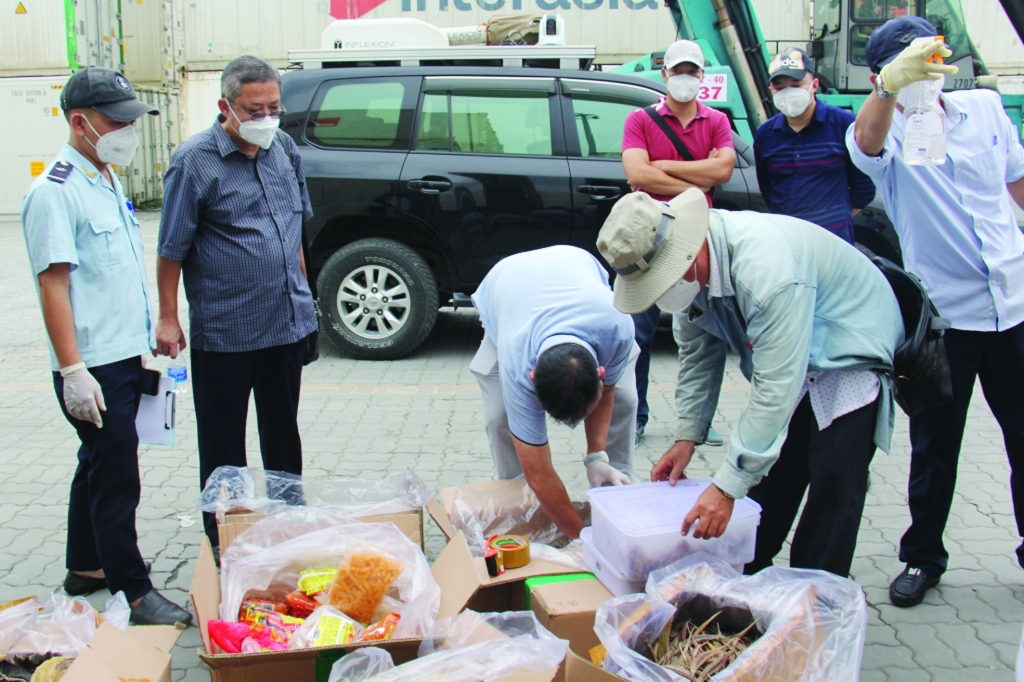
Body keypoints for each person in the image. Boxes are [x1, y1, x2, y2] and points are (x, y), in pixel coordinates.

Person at [597, 189, 904, 578]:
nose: (661, 292)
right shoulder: (693, 278)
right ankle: (752, 580)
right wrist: (687, 436)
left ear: (686, 254)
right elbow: (696, 358)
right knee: (770, 481)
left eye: (660, 280)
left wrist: (726, 488)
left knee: (833, 481)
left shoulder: (766, 272)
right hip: (794, 353)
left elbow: (776, 387)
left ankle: (817, 598)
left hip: (850, 345)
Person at [848, 16, 1024, 606]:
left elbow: (1016, 180)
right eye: (911, 64)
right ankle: (924, 558)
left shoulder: (986, 110)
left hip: (1014, 306)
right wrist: (888, 89)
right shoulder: (886, 130)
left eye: (931, 60)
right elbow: (864, 144)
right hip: (947, 320)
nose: (928, 74)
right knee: (936, 448)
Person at [21, 67, 192, 625]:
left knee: (94, 462)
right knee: (118, 475)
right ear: (79, 121)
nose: (128, 131)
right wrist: (72, 370)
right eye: (116, 122)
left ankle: (85, 566)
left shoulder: (105, 178)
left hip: (120, 354)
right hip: (91, 364)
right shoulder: (54, 193)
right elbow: (54, 286)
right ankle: (134, 590)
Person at [156, 56, 318, 557]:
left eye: (274, 106)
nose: (267, 117)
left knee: (282, 431)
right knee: (224, 442)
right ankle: (228, 538)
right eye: (255, 108)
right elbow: (171, 247)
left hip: (286, 323)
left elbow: (294, 232)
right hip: (227, 330)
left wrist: (305, 296)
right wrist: (167, 316)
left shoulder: (283, 147)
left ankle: (290, 524)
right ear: (226, 106)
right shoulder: (194, 160)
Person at [470, 245, 639, 539]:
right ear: (533, 378)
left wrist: (595, 456)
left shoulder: (618, 327)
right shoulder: (517, 361)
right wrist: (583, 539)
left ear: (601, 373)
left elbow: (608, 394)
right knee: (500, 418)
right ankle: (520, 505)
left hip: (576, 265)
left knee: (625, 398)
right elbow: (539, 472)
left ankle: (617, 488)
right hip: (507, 287)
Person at [621, 39, 736, 447]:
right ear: (664, 74)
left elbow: (723, 170)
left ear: (702, 76)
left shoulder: (718, 121)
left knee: (702, 332)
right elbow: (637, 174)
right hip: (650, 238)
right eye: (677, 71)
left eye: (692, 72)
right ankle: (634, 416)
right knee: (638, 333)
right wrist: (696, 181)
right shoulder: (640, 119)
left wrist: (664, 167)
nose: (684, 79)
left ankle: (697, 421)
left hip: (697, 238)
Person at [755, 47, 876, 244]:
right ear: (771, 90)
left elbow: (864, 187)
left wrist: (836, 215)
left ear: (814, 84)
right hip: (786, 241)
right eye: (780, 87)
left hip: (834, 241)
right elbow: (768, 190)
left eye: (796, 84)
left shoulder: (844, 125)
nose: (789, 92)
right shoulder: (765, 135)